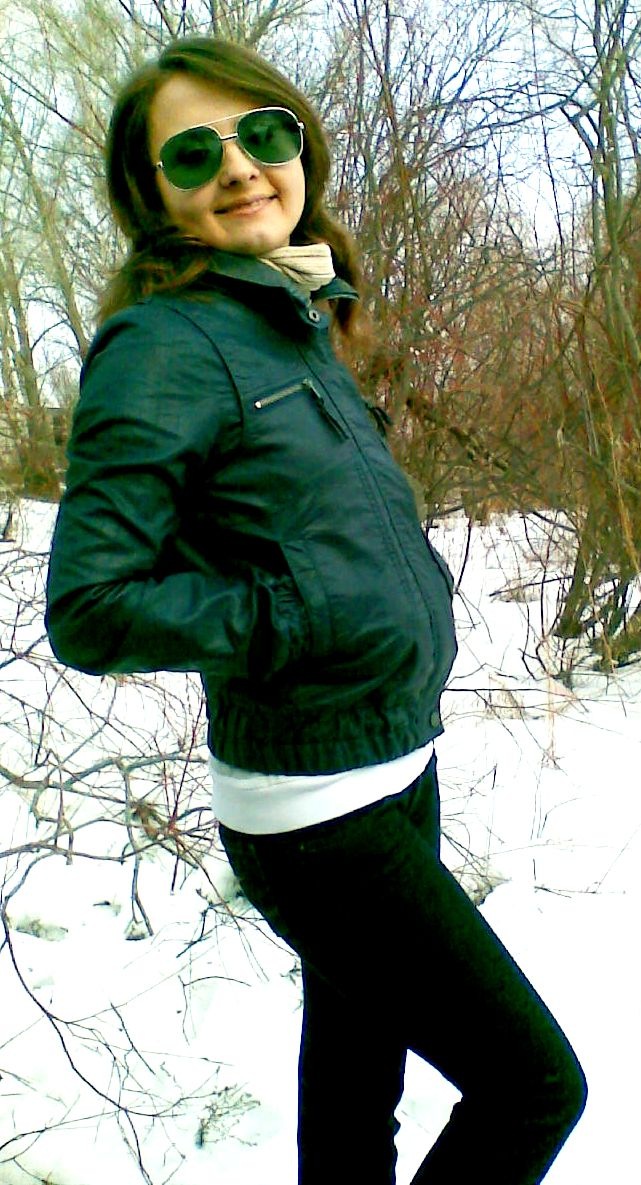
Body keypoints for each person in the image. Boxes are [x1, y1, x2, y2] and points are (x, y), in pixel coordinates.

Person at [45, 35, 587, 1185]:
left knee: (353, 1095)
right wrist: (292, 618)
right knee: (533, 1087)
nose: (240, 166)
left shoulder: (286, 316)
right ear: (153, 194)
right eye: (194, 153)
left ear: (300, 144)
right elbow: (91, 604)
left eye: (262, 133)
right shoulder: (163, 342)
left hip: (389, 760)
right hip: (314, 812)